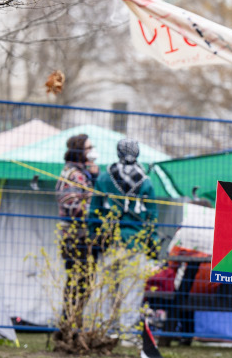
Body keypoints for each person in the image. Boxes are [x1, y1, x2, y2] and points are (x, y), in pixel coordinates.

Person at [86, 139, 159, 329]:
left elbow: (94, 210)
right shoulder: (146, 182)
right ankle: (127, 331)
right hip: (135, 243)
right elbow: (152, 216)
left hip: (108, 241)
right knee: (131, 291)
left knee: (105, 288)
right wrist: (152, 242)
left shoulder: (104, 178)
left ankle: (103, 328)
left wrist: (94, 235)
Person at [55, 134, 99, 326]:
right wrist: (95, 212)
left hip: (84, 236)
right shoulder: (73, 174)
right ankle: (70, 321)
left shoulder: (84, 173)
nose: (92, 152)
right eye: (89, 148)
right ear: (80, 151)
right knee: (77, 280)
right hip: (75, 236)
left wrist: (95, 176)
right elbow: (71, 204)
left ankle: (74, 319)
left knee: (84, 281)